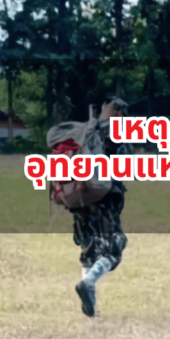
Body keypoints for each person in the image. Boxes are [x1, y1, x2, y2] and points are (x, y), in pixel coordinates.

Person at [70, 97, 132, 317]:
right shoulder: (114, 132)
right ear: (117, 113)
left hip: (79, 197)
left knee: (88, 249)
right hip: (104, 197)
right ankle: (88, 283)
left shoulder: (84, 129)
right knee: (114, 249)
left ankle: (91, 312)